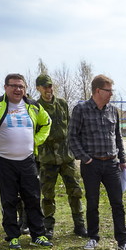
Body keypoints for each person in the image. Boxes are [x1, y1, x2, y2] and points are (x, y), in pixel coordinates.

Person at [69, 74, 126, 250]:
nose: (111, 94)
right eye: (109, 90)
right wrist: (85, 158)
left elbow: (118, 137)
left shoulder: (113, 111)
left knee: (117, 203)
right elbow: (72, 137)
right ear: (98, 91)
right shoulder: (81, 109)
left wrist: (123, 159)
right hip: (91, 165)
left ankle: (123, 240)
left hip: (112, 164)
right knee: (92, 202)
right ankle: (93, 237)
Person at [0, 74, 53, 250]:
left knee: (33, 198)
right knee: (8, 200)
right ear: (5, 87)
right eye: (14, 86)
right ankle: (12, 237)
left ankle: (38, 235)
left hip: (27, 159)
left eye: (21, 86)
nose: (18, 90)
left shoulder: (33, 106)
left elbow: (47, 123)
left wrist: (36, 141)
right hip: (4, 160)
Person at [34, 74, 88, 239]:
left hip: (66, 156)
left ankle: (79, 224)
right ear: (38, 88)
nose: (48, 90)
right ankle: (48, 227)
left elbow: (71, 127)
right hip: (47, 158)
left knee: (75, 191)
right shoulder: (35, 107)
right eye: (44, 87)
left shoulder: (62, 104)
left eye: (50, 86)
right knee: (48, 194)